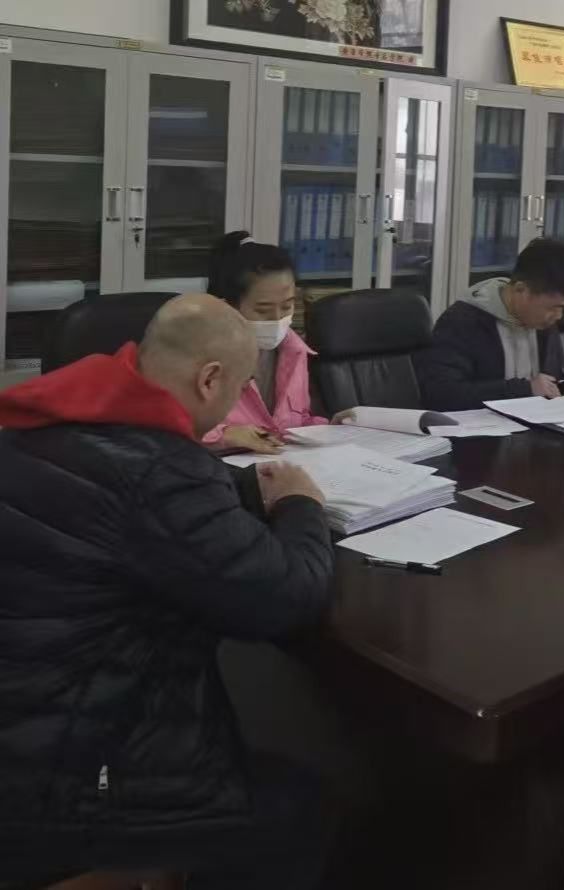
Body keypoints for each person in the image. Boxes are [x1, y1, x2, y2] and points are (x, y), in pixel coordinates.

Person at [0, 293, 335, 889]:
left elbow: (125, 505)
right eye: (237, 389)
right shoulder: (161, 471)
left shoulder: (49, 417)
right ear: (209, 380)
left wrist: (237, 492)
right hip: (69, 783)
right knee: (301, 807)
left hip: (26, 719)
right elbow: (285, 598)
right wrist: (300, 506)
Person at [418, 238, 564, 410]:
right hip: (479, 424)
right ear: (521, 290)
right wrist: (523, 389)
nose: (558, 316)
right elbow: (442, 395)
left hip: (536, 420)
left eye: (563, 307)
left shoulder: (543, 324)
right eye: (552, 307)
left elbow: (551, 382)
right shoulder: (462, 322)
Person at [204, 230, 327, 454]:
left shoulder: (295, 351)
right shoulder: (199, 356)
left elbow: (298, 420)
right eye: (263, 310)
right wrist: (226, 435)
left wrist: (331, 428)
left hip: (283, 462)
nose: (277, 318)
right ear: (228, 307)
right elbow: (168, 434)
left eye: (287, 306)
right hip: (225, 467)